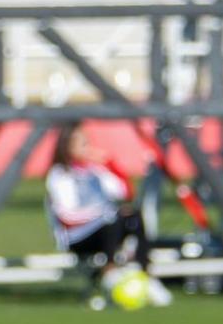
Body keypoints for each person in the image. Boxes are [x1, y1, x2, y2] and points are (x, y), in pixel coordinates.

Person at [45, 123, 170, 307]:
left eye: (87, 143)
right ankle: (109, 272)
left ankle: (146, 274)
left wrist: (110, 163)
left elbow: (126, 192)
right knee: (112, 217)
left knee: (133, 216)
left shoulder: (96, 171)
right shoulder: (59, 175)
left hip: (106, 228)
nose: (87, 148)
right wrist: (101, 214)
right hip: (78, 236)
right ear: (67, 146)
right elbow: (67, 218)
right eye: (81, 143)